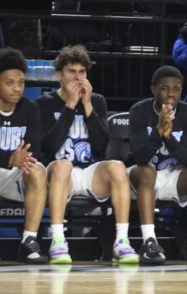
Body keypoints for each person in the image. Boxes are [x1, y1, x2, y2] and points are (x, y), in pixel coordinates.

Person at [36, 45, 139, 265]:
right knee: (63, 165)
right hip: (59, 174)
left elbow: (102, 146)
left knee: (117, 166)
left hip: (91, 173)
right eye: (71, 72)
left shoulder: (97, 101)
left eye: (82, 72)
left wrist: (87, 105)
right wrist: (70, 106)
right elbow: (48, 147)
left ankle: (122, 241)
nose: (78, 78)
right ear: (59, 74)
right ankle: (58, 241)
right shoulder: (44, 103)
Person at [129, 65, 187, 265]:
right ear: (154, 89)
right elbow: (140, 157)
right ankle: (149, 242)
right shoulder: (139, 111)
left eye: (176, 89)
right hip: (142, 176)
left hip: (174, 176)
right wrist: (158, 131)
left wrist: (169, 138)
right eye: (164, 88)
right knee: (147, 172)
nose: (171, 93)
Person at [0, 48, 47, 264]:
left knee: (37, 169)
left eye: (21, 83)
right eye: (10, 83)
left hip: (16, 173)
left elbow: (34, 149)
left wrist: (16, 160)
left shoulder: (30, 108)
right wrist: (7, 159)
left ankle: (29, 241)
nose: (17, 88)